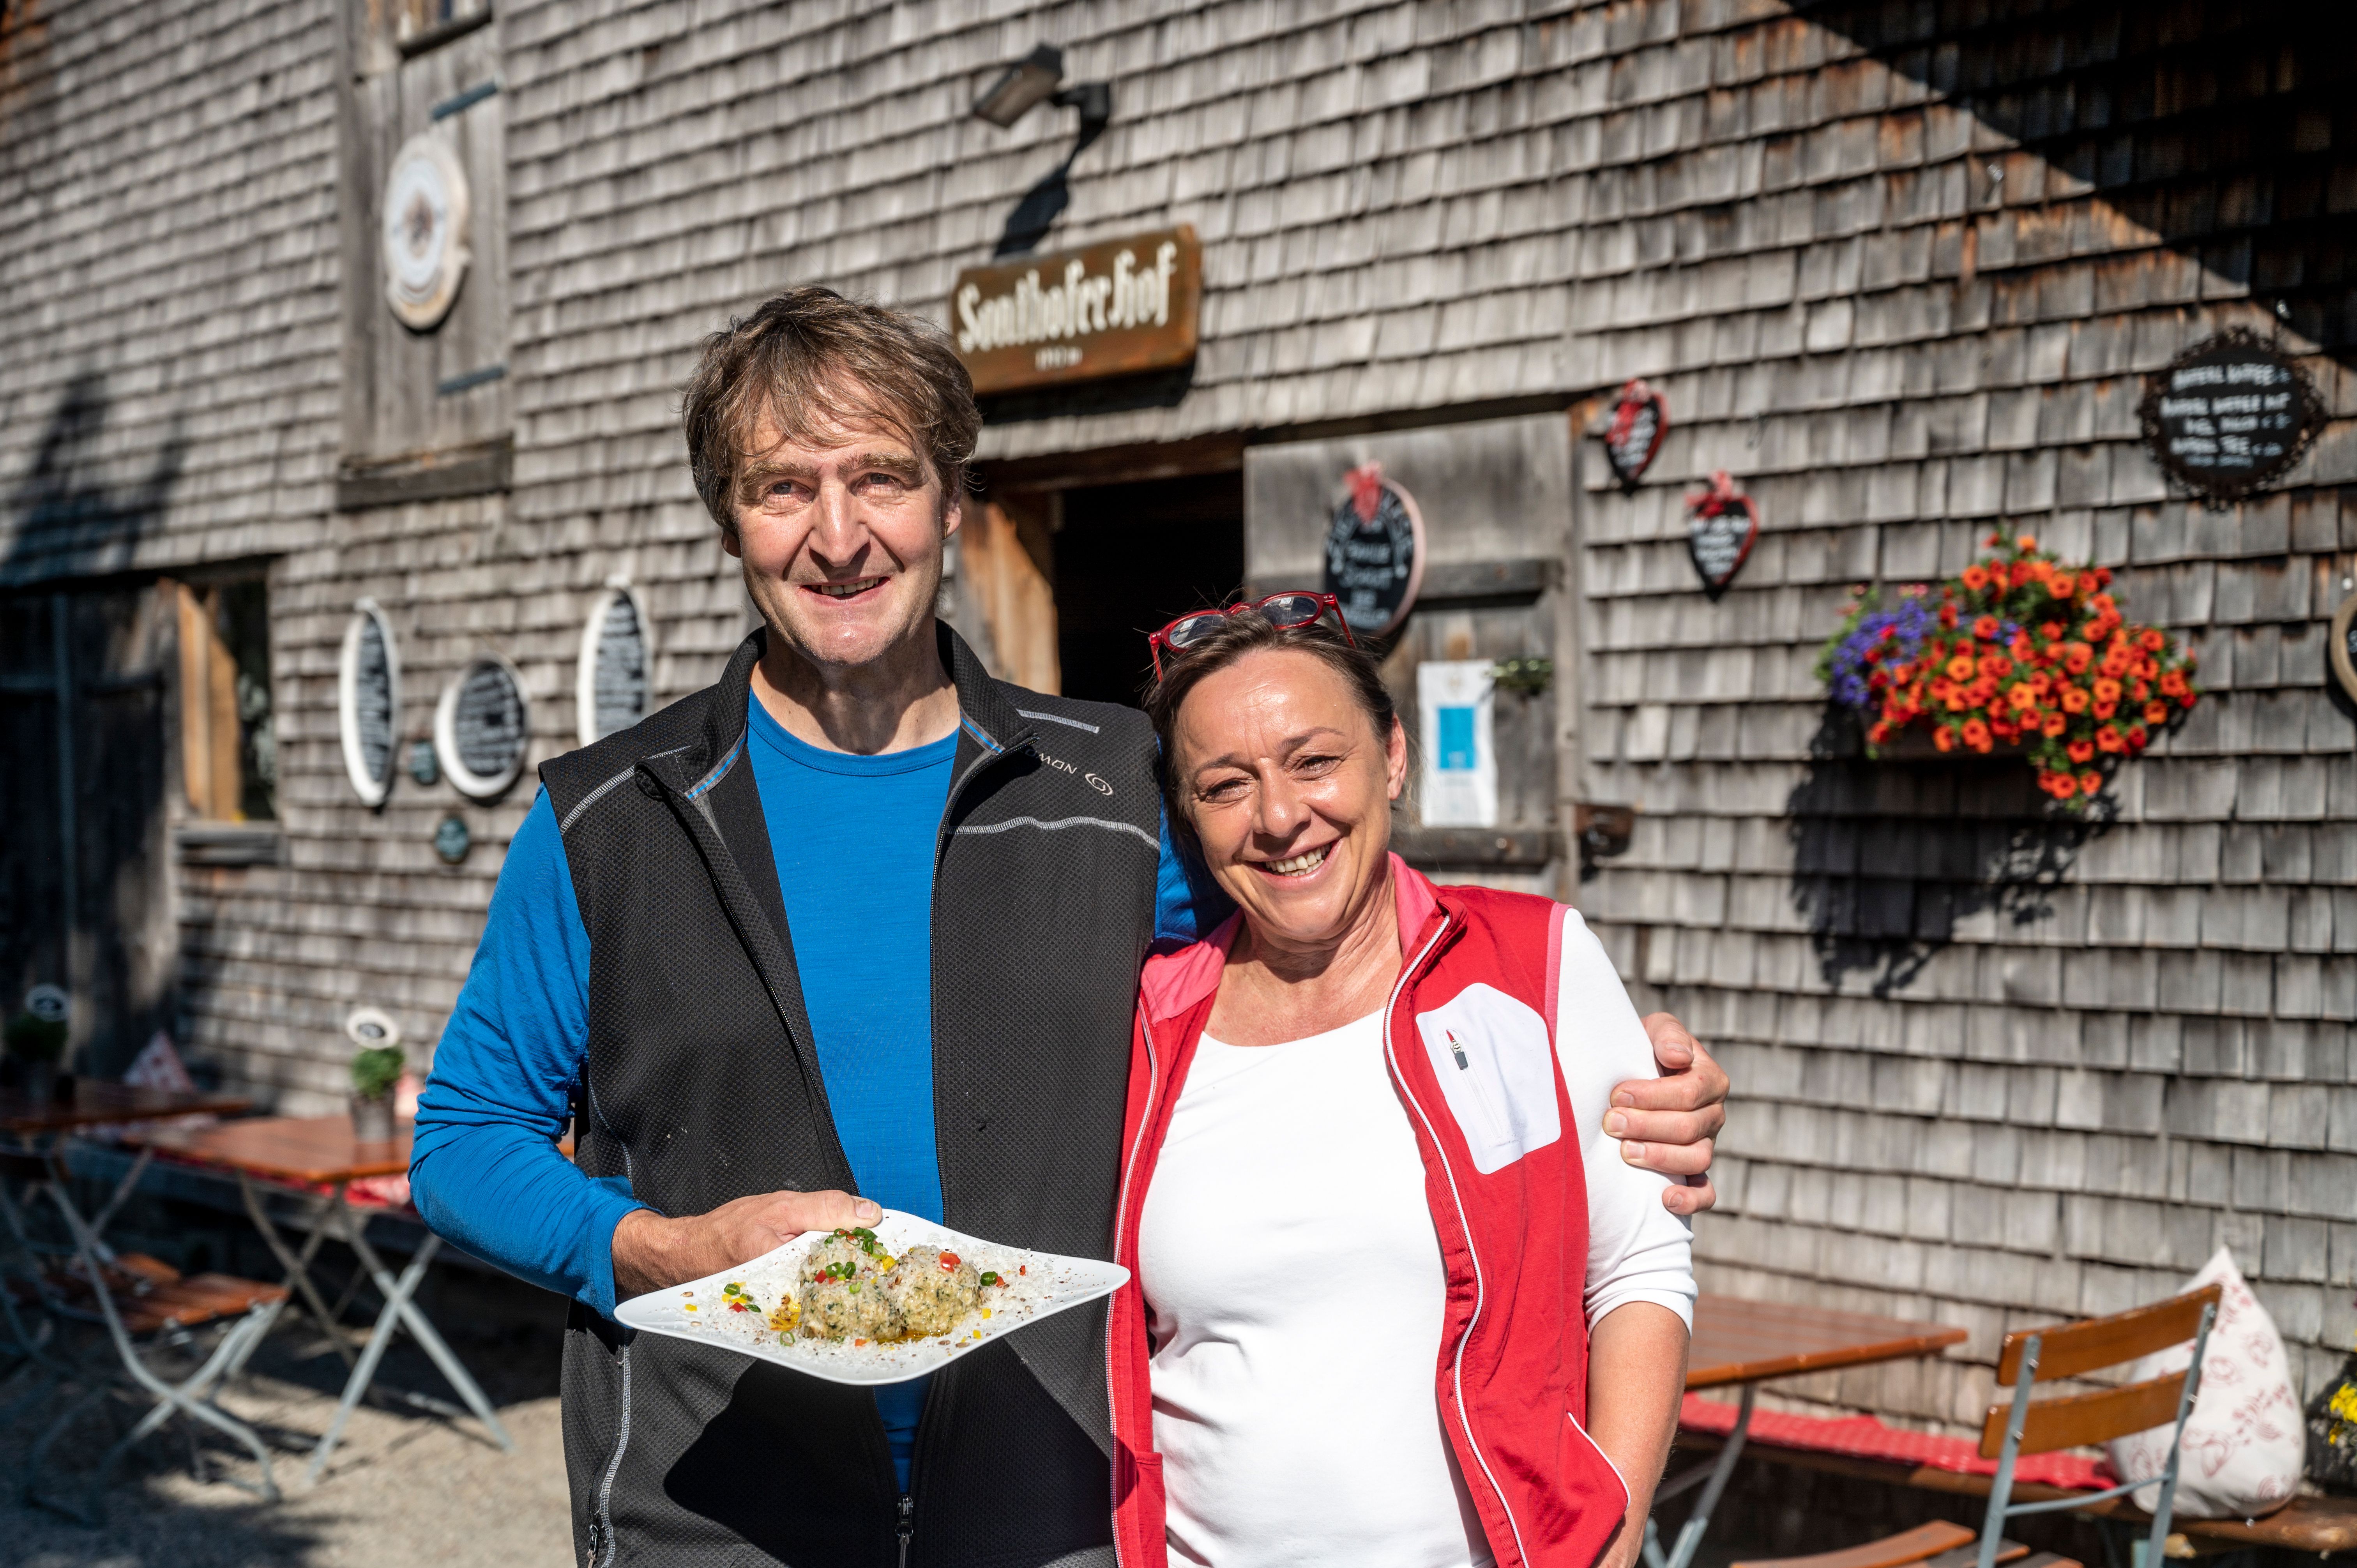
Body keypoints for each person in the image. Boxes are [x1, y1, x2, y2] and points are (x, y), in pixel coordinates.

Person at [408, 288, 1728, 1566]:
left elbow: (1330, 905)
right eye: (781, 488)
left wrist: (1604, 1062)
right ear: (729, 521)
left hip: (1050, 1504)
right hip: (718, 1510)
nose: (837, 533)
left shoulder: (1106, 787)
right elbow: (464, 1140)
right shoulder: (610, 820)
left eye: (879, 478)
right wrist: (663, 1248)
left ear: (950, 501)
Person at [1104, 595, 1691, 1568]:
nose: (1280, 815)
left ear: (1394, 756)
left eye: (1314, 760)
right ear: (1188, 817)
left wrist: (1614, 1534)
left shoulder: (1532, 965)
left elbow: (1636, 1267)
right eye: (1225, 785)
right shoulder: (1144, 1026)